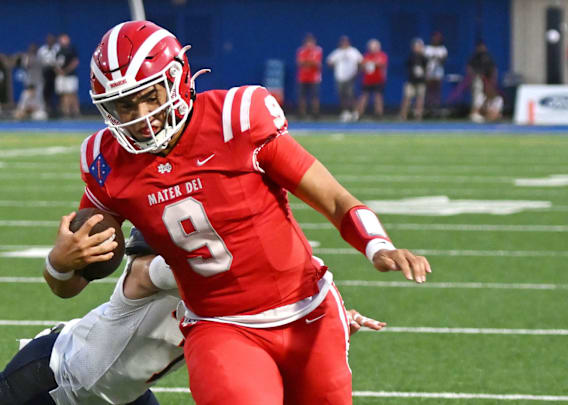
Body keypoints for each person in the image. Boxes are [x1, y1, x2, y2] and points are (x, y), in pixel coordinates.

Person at [48, 20, 431, 405]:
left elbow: (334, 200)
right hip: (220, 326)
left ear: (177, 80)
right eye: (125, 105)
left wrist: (378, 246)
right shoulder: (110, 163)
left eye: (150, 96)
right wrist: (60, 264)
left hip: (307, 311)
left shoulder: (236, 121)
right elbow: (72, 283)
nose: (141, 116)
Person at [0, 227, 385, 405]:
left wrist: (324, 309)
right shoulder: (148, 275)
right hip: (54, 377)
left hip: (119, 397)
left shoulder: (215, 297)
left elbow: (254, 307)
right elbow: (231, 275)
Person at [326, 35, 362, 122]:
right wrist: (335, 67)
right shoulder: (337, 52)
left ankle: (355, 112)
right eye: (342, 42)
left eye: (345, 42)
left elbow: (361, 61)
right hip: (340, 77)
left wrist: (357, 72)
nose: (344, 44)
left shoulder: (353, 51)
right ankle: (345, 112)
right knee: (342, 96)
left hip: (351, 77)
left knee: (351, 95)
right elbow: (329, 61)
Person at [356, 39, 388, 120]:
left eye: (374, 46)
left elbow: (381, 64)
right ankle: (359, 114)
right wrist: (366, 63)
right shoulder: (366, 55)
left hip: (378, 80)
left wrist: (371, 62)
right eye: (371, 46)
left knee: (378, 97)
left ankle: (378, 114)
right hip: (367, 80)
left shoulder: (382, 55)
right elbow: (362, 65)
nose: (373, 48)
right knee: (364, 97)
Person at [14, 43, 47, 120]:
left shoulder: (40, 58)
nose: (32, 50)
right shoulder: (26, 57)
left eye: (34, 49)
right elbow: (26, 66)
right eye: (31, 49)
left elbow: (43, 66)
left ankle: (30, 116)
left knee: (41, 114)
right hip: (29, 81)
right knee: (20, 110)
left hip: (38, 82)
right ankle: (26, 116)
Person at [467, 41, 497, 123]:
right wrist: (474, 76)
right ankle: (474, 113)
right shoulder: (475, 57)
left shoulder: (488, 56)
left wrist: (492, 79)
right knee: (477, 95)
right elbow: (469, 67)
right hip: (478, 78)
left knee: (487, 96)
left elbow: (493, 68)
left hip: (487, 79)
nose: (482, 48)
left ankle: (484, 113)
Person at [399, 38, 428, 120]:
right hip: (411, 81)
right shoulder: (410, 56)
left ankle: (418, 116)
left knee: (420, 99)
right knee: (407, 98)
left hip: (421, 81)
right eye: (416, 46)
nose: (417, 48)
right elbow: (406, 66)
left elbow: (427, 68)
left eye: (419, 46)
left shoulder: (424, 57)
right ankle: (403, 115)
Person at [295, 33, 323, 119]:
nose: (309, 44)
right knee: (301, 96)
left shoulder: (318, 50)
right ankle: (302, 114)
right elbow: (299, 63)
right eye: (308, 42)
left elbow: (317, 64)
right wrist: (309, 62)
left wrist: (307, 62)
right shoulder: (301, 51)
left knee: (315, 96)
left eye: (311, 42)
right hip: (302, 77)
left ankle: (315, 113)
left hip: (314, 78)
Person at [55, 33, 80, 118]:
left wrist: (66, 70)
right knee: (64, 94)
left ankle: (75, 111)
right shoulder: (58, 51)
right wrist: (60, 71)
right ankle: (66, 111)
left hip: (70, 76)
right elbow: (56, 64)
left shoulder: (71, 50)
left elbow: (75, 62)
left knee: (72, 94)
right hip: (62, 76)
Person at [424, 31, 448, 115]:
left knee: (437, 90)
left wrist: (438, 58)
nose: (436, 40)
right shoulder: (427, 48)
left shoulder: (443, 49)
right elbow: (424, 60)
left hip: (438, 72)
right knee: (428, 90)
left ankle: (436, 107)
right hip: (429, 71)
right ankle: (427, 107)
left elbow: (444, 60)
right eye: (435, 38)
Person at [38, 34, 60, 117]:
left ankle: (57, 110)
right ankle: (47, 109)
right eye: (48, 39)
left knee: (57, 92)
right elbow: (39, 61)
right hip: (46, 72)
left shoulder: (57, 48)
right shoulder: (42, 50)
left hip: (56, 72)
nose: (50, 41)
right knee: (46, 92)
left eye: (52, 39)